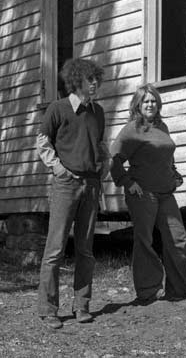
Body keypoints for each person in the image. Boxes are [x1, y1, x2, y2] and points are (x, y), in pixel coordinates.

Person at [36, 58, 108, 329]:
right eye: (91, 80)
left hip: (91, 186)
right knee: (54, 249)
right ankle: (48, 309)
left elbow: (99, 144)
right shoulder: (58, 108)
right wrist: (59, 170)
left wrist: (104, 167)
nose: (95, 84)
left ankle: (82, 305)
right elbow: (43, 143)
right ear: (77, 80)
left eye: (97, 80)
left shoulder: (98, 112)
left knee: (86, 250)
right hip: (66, 185)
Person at [110, 84, 186, 305]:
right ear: (138, 104)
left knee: (178, 238)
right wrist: (127, 182)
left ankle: (178, 289)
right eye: (146, 101)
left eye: (154, 101)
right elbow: (114, 159)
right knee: (145, 241)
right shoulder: (131, 129)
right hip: (143, 194)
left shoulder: (162, 127)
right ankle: (148, 292)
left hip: (166, 193)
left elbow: (166, 157)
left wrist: (174, 174)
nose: (150, 104)